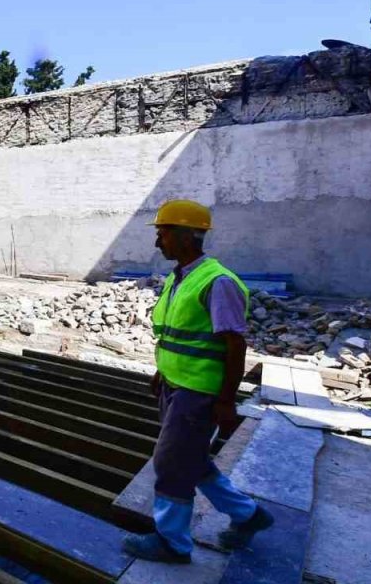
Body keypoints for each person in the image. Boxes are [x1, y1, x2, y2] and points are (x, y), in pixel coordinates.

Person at [122, 200, 273, 563]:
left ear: (188, 236)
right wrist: (163, 370)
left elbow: (234, 345)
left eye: (164, 234)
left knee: (172, 465)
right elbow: (180, 336)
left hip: (198, 393)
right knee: (191, 460)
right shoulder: (180, 278)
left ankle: (172, 543)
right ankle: (249, 515)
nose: (158, 242)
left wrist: (225, 401)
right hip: (176, 385)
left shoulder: (217, 283)